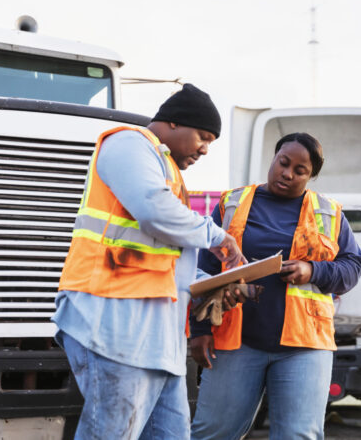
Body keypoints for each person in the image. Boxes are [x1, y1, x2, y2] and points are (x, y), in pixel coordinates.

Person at [52, 83, 246, 440]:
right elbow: (154, 213)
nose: (204, 150)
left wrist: (209, 285)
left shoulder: (166, 170)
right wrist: (217, 235)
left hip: (156, 340)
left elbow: (165, 260)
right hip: (112, 326)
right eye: (203, 137)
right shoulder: (128, 144)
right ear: (173, 123)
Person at [190, 132, 361, 440]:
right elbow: (203, 271)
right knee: (212, 432)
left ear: (311, 177)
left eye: (300, 170)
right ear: (273, 158)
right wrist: (200, 331)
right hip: (235, 342)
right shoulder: (231, 203)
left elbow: (352, 268)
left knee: (297, 435)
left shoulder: (329, 213)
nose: (288, 173)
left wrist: (312, 270)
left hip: (304, 347)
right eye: (283, 163)